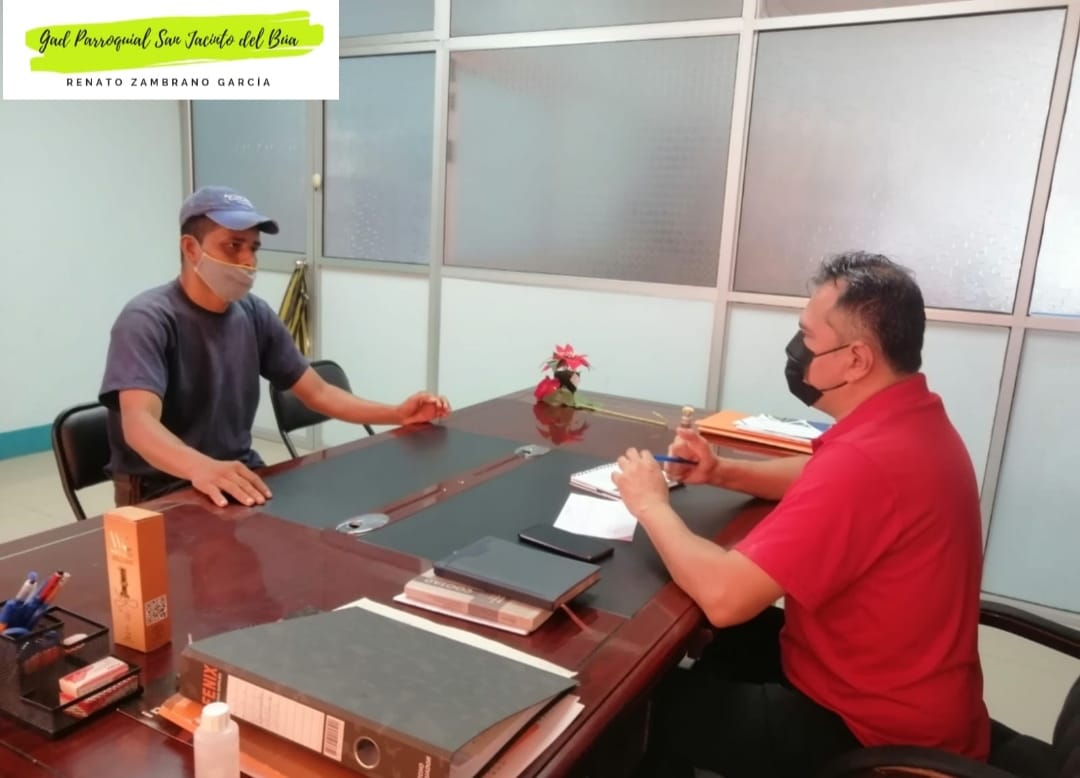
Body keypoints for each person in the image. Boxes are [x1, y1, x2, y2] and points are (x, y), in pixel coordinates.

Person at [612, 252, 989, 778]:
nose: (797, 350)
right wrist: (721, 471)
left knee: (638, 703)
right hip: (896, 689)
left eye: (807, 337)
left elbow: (725, 597)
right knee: (707, 647)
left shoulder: (868, 462)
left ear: (856, 360)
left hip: (872, 736)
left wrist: (650, 503)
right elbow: (820, 474)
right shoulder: (910, 420)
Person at [99, 185, 450, 509]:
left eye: (253, 248)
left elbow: (319, 393)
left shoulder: (253, 314)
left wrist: (397, 414)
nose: (248, 260)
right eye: (233, 246)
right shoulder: (147, 319)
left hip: (236, 472)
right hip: (162, 487)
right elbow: (139, 423)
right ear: (191, 249)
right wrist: (202, 468)